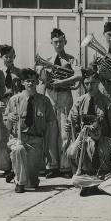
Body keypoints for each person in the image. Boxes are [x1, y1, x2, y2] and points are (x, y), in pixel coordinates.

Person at [3, 69, 59, 193]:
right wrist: (10, 119)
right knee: (18, 149)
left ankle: (20, 176)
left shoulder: (44, 101)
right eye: (27, 81)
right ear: (22, 82)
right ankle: (19, 182)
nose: (30, 84)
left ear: (37, 82)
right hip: (18, 138)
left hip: (36, 141)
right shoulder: (14, 100)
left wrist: (47, 149)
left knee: (32, 184)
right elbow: (7, 127)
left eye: (33, 81)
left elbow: (50, 127)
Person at [36, 28, 82, 178]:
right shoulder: (47, 61)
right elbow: (42, 81)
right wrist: (41, 100)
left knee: (65, 132)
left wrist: (61, 81)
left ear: (65, 42)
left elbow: (79, 76)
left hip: (64, 95)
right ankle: (52, 166)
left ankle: (65, 167)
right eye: (55, 42)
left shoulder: (71, 59)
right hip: (50, 96)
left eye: (61, 42)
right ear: (51, 42)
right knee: (51, 131)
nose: (58, 44)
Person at [65, 72, 111, 176]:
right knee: (70, 152)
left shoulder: (106, 101)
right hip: (84, 138)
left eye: (92, 83)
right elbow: (71, 121)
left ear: (98, 82)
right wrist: (69, 126)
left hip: (101, 139)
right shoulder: (80, 101)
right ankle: (79, 173)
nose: (89, 86)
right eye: (86, 83)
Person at [0, 44, 23, 183]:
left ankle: (17, 165)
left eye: (11, 56)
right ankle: (6, 168)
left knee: (16, 134)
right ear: (1, 58)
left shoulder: (20, 73)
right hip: (3, 104)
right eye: (6, 57)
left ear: (14, 56)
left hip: (16, 104)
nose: (8, 59)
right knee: (4, 135)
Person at [66, 118, 111, 196]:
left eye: (97, 128)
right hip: (92, 177)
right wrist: (82, 134)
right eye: (92, 130)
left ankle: (95, 188)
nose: (96, 132)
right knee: (75, 179)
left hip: (108, 176)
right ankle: (104, 187)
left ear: (101, 128)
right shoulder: (84, 143)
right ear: (88, 132)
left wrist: (109, 175)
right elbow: (71, 155)